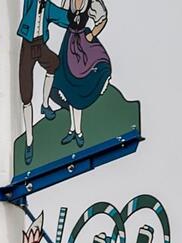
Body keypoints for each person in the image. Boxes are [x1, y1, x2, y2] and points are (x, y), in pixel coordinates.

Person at [51, 0, 111, 148]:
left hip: (83, 46)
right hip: (69, 44)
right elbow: (62, 15)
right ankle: (73, 129)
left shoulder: (90, 2)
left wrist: (91, 35)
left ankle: (78, 132)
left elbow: (102, 19)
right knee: (68, 87)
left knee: (78, 88)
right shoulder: (69, 1)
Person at [17, 0, 70, 165]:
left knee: (53, 63)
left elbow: (65, 18)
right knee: (26, 94)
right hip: (28, 45)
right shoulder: (31, 2)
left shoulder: (48, 7)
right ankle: (29, 141)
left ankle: (45, 104)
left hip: (40, 45)